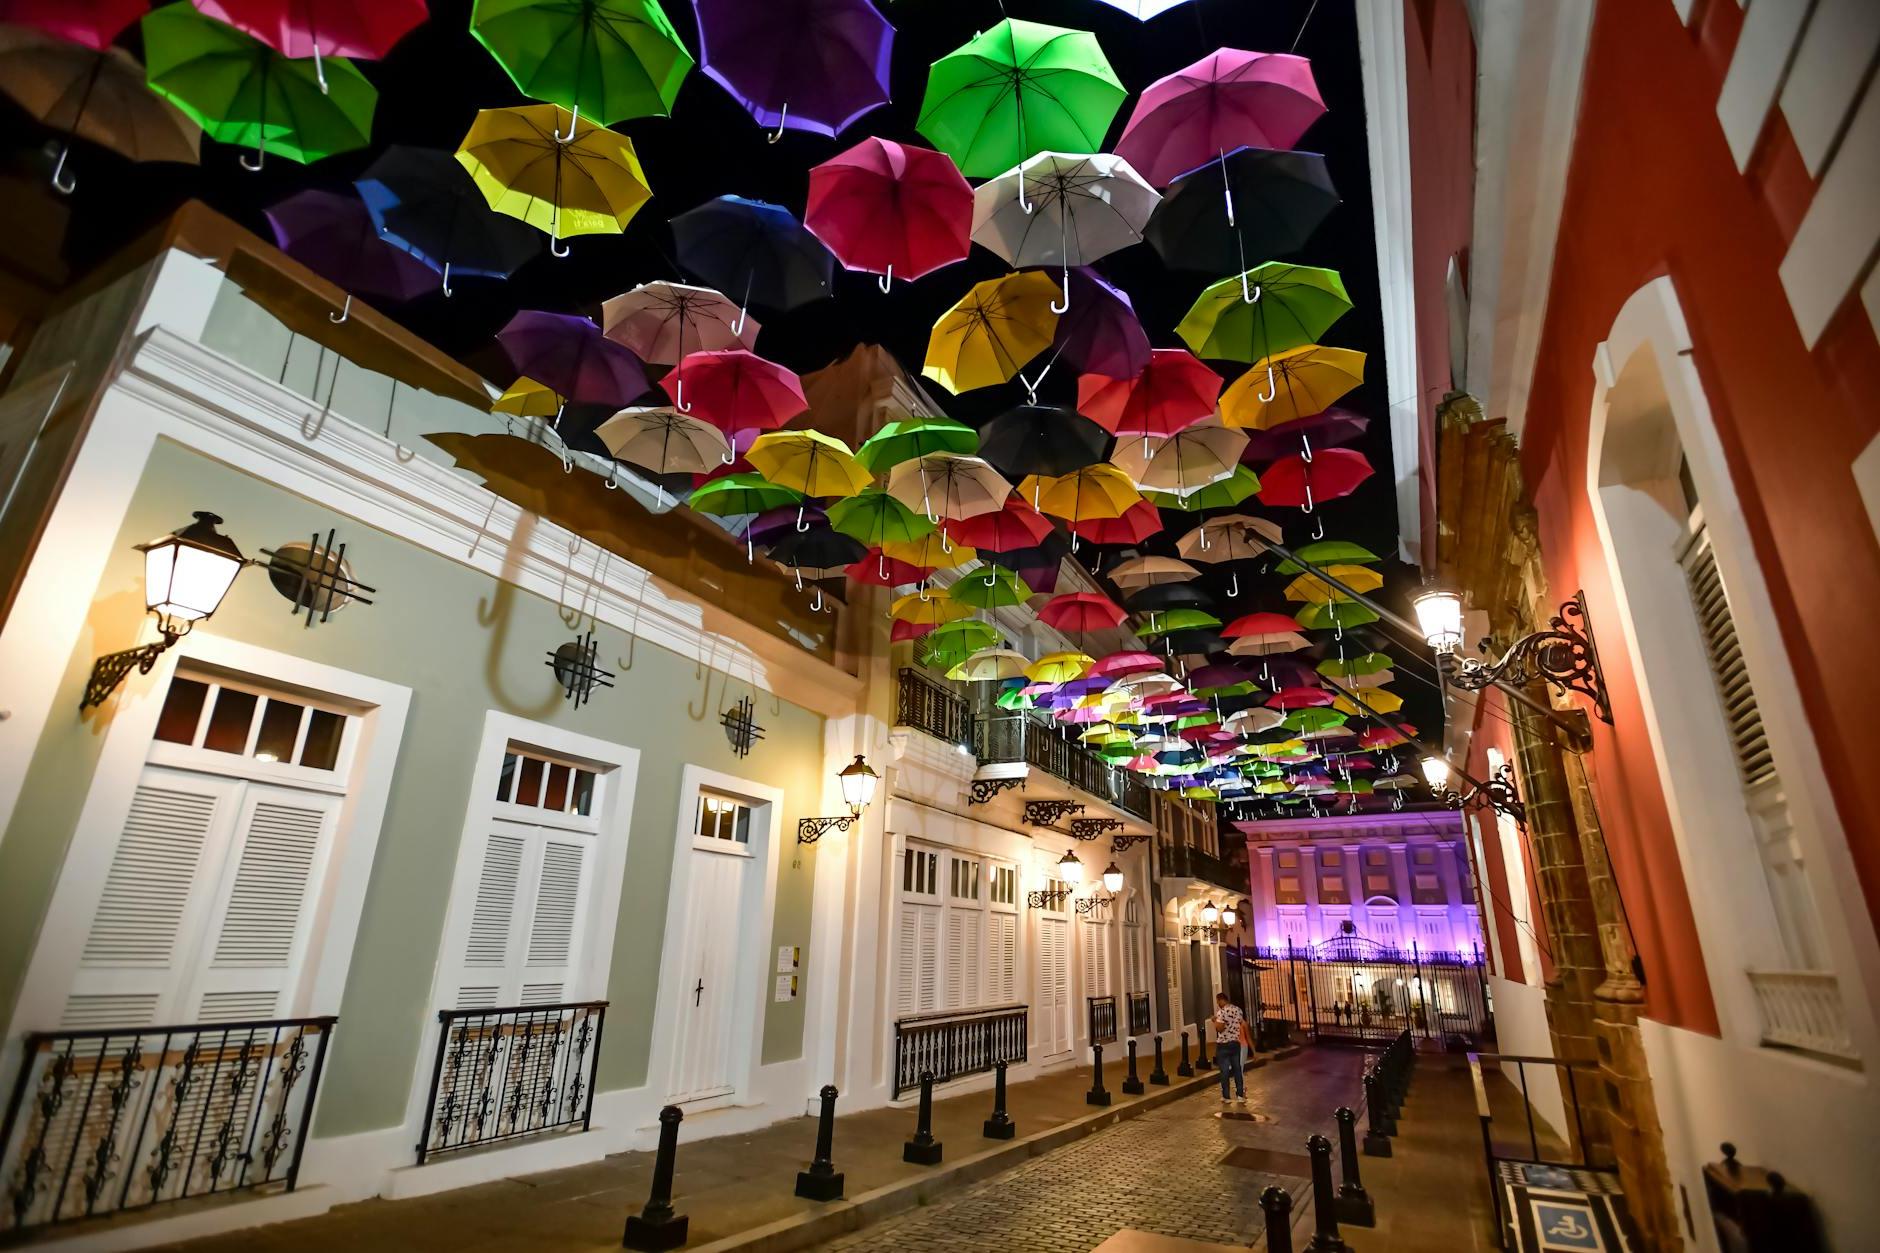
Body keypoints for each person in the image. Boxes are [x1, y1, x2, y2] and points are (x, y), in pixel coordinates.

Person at [1211, 992, 1249, 1103]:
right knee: (1237, 1069)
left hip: (1223, 1044)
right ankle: (1240, 1095)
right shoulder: (1238, 1010)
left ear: (1221, 1000)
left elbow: (1220, 1029)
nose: (1217, 1003)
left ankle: (1226, 1096)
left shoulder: (1221, 1012)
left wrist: (1214, 1021)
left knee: (1224, 1071)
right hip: (1235, 1043)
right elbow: (1241, 1023)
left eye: (1217, 1001)